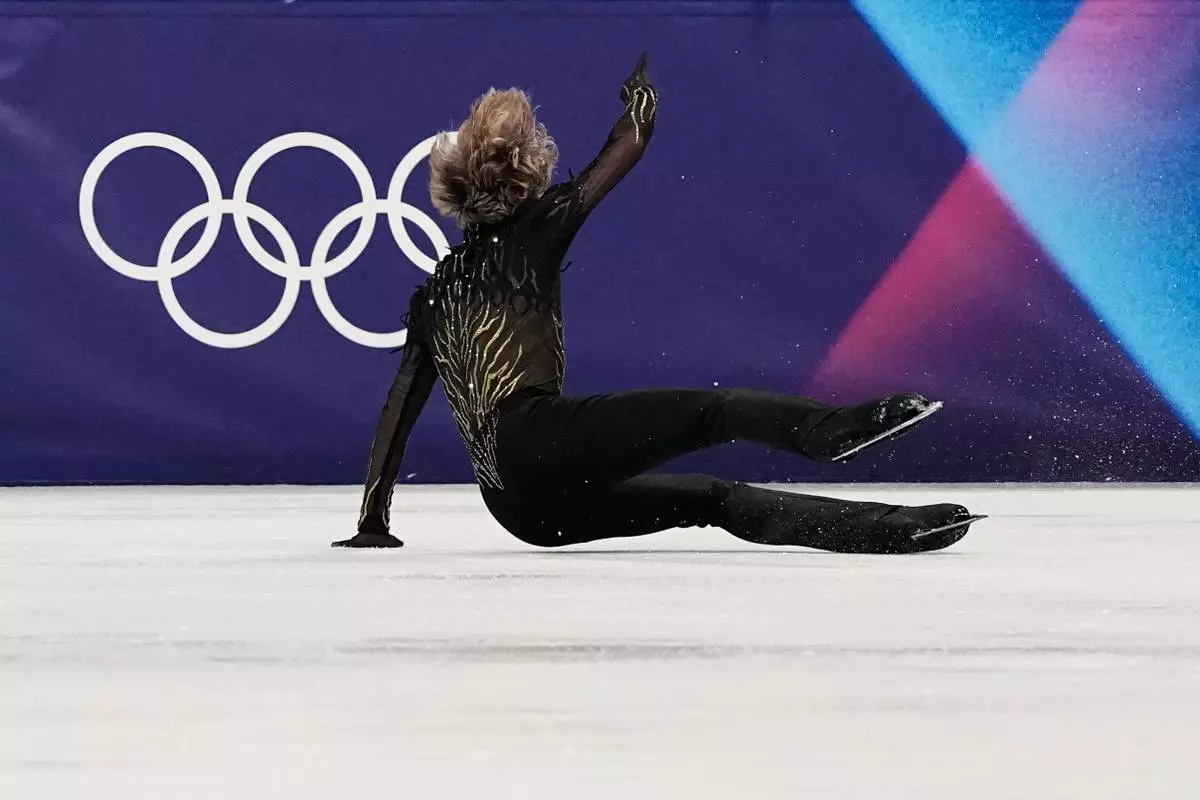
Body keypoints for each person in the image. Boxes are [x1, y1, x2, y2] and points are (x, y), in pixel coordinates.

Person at [333, 54, 982, 553]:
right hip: (540, 441)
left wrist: (373, 522)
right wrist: (640, 91)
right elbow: (630, 145)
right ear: (526, 172)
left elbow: (399, 410)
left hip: (516, 509)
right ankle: (831, 432)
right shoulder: (538, 230)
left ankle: (891, 530)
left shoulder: (434, 294)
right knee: (714, 411)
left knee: (714, 499)